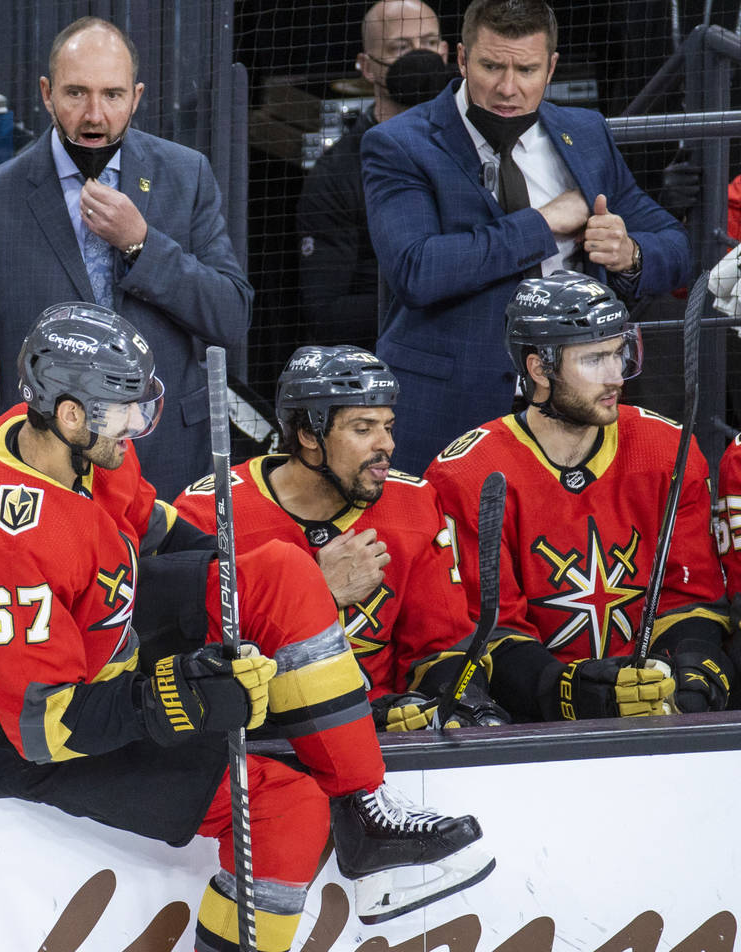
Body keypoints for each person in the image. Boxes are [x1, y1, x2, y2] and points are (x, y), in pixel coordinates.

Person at [0, 301, 494, 944]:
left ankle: (364, 806)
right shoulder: (10, 536)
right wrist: (172, 697)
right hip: (13, 725)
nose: (136, 424)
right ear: (71, 413)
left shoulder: (64, 439)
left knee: (280, 571)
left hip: (94, 629)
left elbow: (154, 532)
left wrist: (239, 584)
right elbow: (42, 728)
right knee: (288, 809)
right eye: (123, 408)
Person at [361, 0, 693, 476]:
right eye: (491, 65)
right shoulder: (400, 143)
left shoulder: (586, 132)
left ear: (552, 66)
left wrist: (629, 252)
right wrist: (545, 222)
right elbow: (418, 269)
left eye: (527, 69)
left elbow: (676, 245)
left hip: (574, 407)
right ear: (460, 58)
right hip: (450, 408)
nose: (507, 87)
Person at [0, 16, 252, 500]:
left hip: (165, 460)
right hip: (39, 472)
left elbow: (231, 314)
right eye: (76, 93)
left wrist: (142, 243)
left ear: (137, 97)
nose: (95, 115)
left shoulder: (188, 177)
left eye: (113, 95)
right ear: (46, 93)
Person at [419, 272, 732, 722]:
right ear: (539, 369)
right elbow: (494, 632)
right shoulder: (467, 474)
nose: (616, 377)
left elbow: (689, 596)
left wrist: (690, 671)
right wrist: (569, 692)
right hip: (532, 729)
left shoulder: (667, 448)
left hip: (656, 708)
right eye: (594, 360)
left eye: (619, 355)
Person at [174, 345, 506, 731]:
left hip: (390, 729)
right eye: (363, 428)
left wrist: (459, 700)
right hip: (263, 741)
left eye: (388, 426)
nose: (387, 445)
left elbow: (439, 645)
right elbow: (198, 664)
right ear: (308, 434)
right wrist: (316, 592)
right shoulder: (210, 512)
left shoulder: (413, 501)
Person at [296, 0, 452, 351]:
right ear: (366, 66)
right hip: (387, 359)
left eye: (428, 44)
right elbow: (326, 312)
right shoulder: (336, 173)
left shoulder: (475, 149)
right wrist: (444, 301)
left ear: (445, 52)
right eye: (400, 47)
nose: (419, 57)